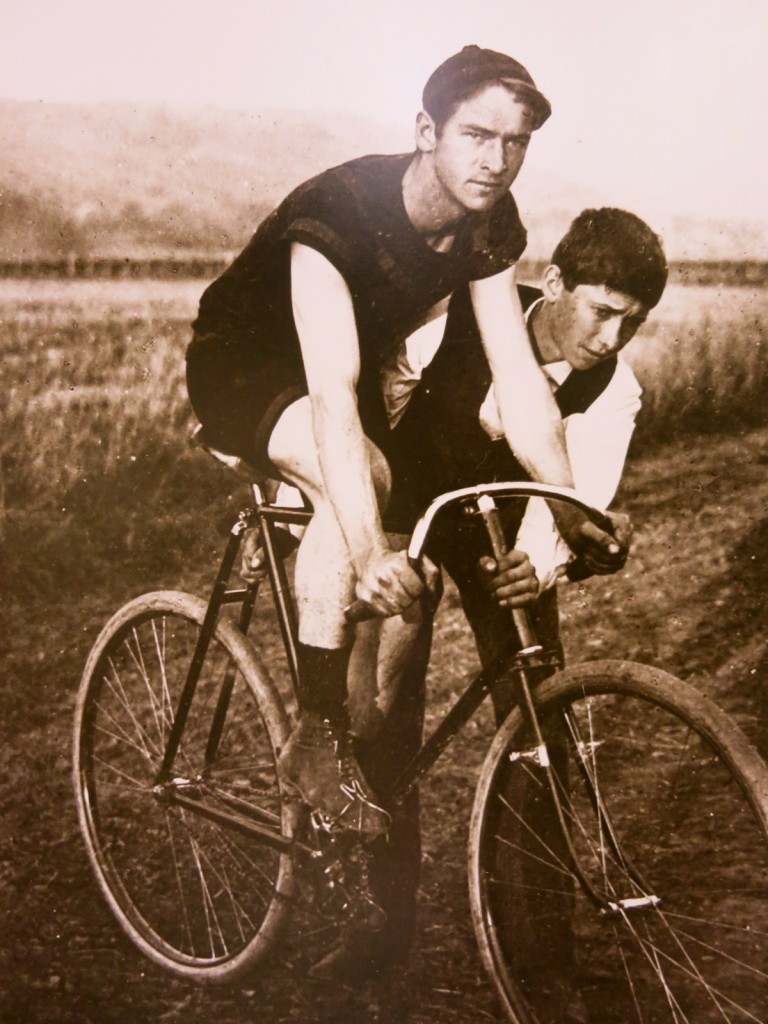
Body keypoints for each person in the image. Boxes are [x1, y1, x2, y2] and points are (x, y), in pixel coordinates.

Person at [186, 46, 620, 837]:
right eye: (477, 135)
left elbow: (518, 380)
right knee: (363, 482)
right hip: (249, 365)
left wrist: (570, 507)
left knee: (383, 529)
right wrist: (365, 554)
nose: (497, 160)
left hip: (342, 370)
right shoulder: (339, 210)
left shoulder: (489, 221)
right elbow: (331, 399)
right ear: (427, 130)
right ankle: (316, 738)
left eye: (516, 142)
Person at [308, 207, 667, 985]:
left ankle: (540, 952)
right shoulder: (452, 319)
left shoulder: (615, 391)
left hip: (505, 534)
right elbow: (366, 401)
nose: (610, 340)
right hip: (408, 509)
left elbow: (578, 499)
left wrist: (537, 566)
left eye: (631, 324)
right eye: (602, 313)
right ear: (558, 282)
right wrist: (371, 535)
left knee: (542, 713)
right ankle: (380, 923)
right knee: (380, 715)